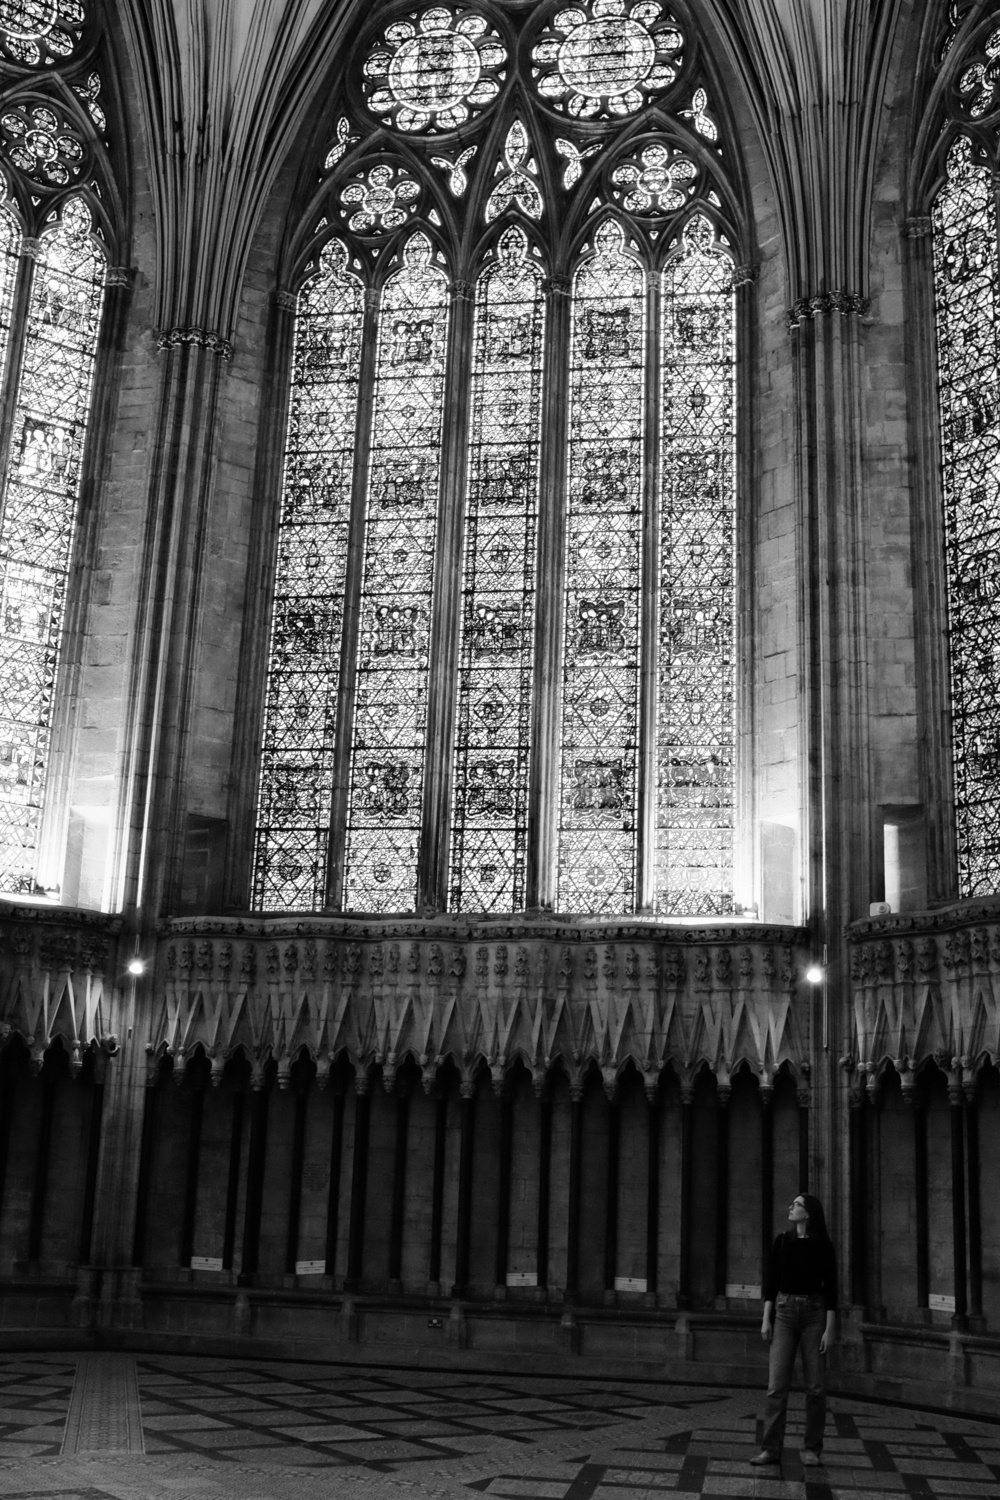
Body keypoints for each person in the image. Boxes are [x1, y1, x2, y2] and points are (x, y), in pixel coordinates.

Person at [749, 1192, 838, 1468]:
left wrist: (830, 1328)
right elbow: (771, 1283)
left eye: (796, 1204)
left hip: (814, 1314)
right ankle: (771, 1448)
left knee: (815, 1387)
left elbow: (832, 1289)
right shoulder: (782, 1242)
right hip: (784, 1312)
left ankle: (812, 1449)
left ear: (808, 1213)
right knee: (776, 1386)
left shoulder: (823, 1246)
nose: (791, 1207)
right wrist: (767, 1318)